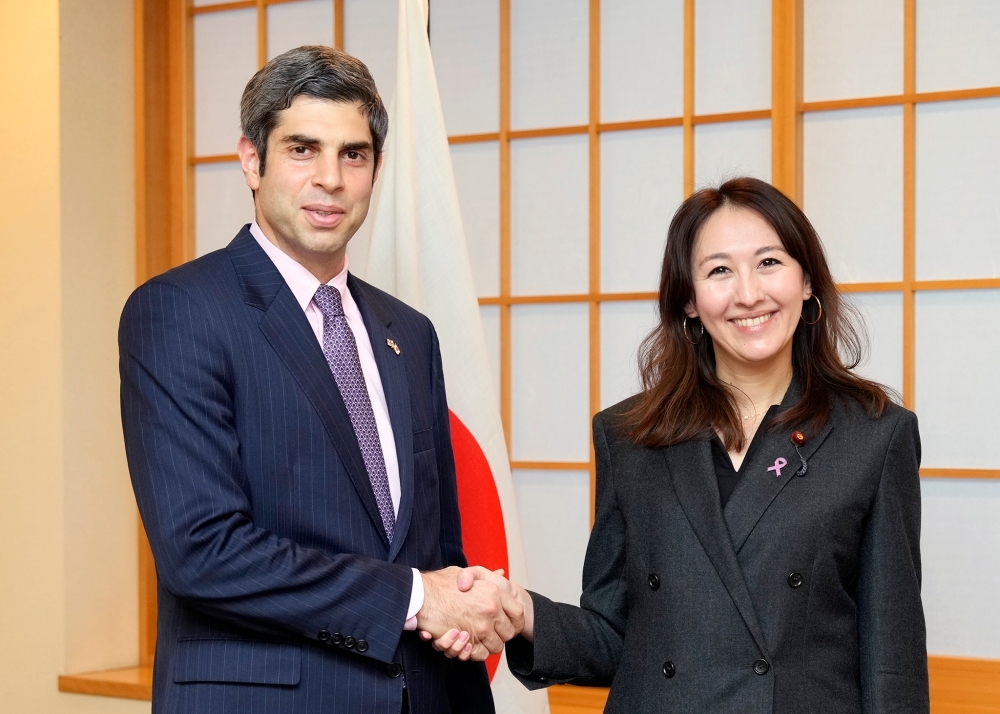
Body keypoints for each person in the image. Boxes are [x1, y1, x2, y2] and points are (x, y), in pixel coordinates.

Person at [119, 46, 520, 714]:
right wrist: (414, 598)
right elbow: (203, 552)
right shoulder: (179, 312)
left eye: (353, 155)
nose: (330, 179)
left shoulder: (410, 333)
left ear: (375, 170)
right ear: (252, 161)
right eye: (302, 150)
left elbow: (439, 554)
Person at [441, 177, 929, 713]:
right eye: (719, 271)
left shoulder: (874, 436)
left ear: (807, 280)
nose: (748, 293)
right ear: (690, 301)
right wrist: (523, 613)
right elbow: (617, 634)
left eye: (769, 262)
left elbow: (893, 661)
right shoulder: (631, 435)